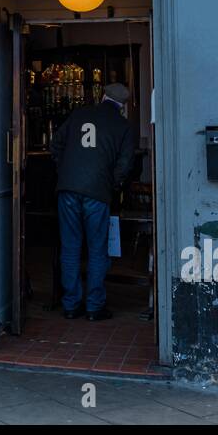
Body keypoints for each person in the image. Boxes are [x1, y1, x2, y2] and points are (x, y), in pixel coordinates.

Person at [50, 82, 135, 322]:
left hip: (68, 189)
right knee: (97, 249)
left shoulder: (80, 114)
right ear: (123, 105)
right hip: (97, 192)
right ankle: (94, 307)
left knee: (70, 247)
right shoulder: (123, 126)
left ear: (102, 95)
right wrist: (112, 184)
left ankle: (70, 305)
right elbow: (125, 164)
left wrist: (65, 170)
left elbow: (55, 145)